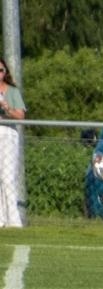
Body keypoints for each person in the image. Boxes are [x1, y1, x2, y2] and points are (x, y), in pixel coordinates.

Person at [0, 60, 23, 228]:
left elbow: (20, 116)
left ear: (5, 72)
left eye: (0, 70)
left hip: (8, 134)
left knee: (8, 178)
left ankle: (13, 222)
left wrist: (6, 108)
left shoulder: (13, 92)